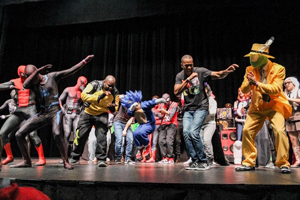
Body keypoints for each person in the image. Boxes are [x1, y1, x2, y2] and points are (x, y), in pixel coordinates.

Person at [11, 55, 94, 169]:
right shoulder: (31, 83)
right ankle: (26, 161)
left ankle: (65, 161)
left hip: (55, 112)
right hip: (42, 114)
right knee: (19, 134)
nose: (32, 79)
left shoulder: (51, 77)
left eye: (34, 76)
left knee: (57, 134)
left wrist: (84, 61)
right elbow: (25, 85)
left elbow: (70, 70)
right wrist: (38, 71)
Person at [235, 39, 292, 174]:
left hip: (275, 105)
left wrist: (257, 84)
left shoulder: (279, 69)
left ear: (263, 57)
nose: (253, 59)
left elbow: (276, 88)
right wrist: (249, 83)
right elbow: (243, 90)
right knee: (247, 131)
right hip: (257, 106)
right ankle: (249, 162)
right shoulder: (250, 69)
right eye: (252, 57)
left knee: (279, 131)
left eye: (255, 57)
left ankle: (283, 163)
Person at [174, 54, 238, 170]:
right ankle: (194, 160)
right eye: (186, 66)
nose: (189, 68)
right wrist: (188, 79)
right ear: (182, 65)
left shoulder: (201, 72)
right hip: (188, 109)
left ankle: (203, 161)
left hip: (201, 107)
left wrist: (226, 71)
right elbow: (176, 91)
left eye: (191, 65)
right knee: (186, 133)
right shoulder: (180, 76)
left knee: (193, 132)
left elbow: (218, 74)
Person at [0, 65, 46, 166]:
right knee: (3, 132)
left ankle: (41, 158)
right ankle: (9, 156)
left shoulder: (33, 81)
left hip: (31, 109)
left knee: (33, 134)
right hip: (19, 110)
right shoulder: (14, 82)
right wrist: (10, 86)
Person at [70, 75, 120, 167]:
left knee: (102, 137)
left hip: (102, 114)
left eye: (112, 86)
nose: (110, 88)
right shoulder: (94, 84)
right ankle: (75, 157)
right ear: (104, 82)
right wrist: (99, 96)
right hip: (87, 112)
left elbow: (116, 107)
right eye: (109, 85)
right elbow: (83, 95)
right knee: (81, 135)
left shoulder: (115, 92)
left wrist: (112, 109)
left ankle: (101, 159)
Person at [121, 90, 166, 161]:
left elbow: (151, 103)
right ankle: (140, 148)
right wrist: (132, 108)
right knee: (135, 133)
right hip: (142, 124)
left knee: (141, 133)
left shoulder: (144, 105)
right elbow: (129, 113)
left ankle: (146, 145)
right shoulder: (133, 110)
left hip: (150, 124)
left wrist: (159, 100)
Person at [59, 76, 87, 157]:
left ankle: (74, 156)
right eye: (82, 83)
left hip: (77, 114)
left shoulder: (83, 93)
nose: (82, 85)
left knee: (76, 135)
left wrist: (84, 92)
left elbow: (87, 102)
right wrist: (62, 109)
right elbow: (59, 100)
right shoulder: (68, 89)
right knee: (67, 134)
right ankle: (64, 157)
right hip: (68, 113)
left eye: (84, 84)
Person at [113, 95, 135, 165]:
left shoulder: (136, 109)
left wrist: (125, 130)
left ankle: (128, 158)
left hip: (127, 124)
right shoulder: (126, 102)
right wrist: (127, 96)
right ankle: (118, 158)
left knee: (130, 139)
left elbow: (131, 120)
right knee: (119, 139)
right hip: (118, 122)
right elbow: (119, 97)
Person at [199, 84, 217, 166]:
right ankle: (203, 159)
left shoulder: (212, 101)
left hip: (210, 123)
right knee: (200, 142)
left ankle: (210, 159)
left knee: (206, 140)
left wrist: (206, 109)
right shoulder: (199, 101)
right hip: (201, 124)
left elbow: (213, 113)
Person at [284, 77, 300, 168]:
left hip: (298, 117)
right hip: (289, 118)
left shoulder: (298, 91)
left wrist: (289, 99)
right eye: (285, 83)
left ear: (293, 83)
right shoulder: (285, 94)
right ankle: (298, 160)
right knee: (293, 140)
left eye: (288, 83)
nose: (286, 85)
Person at [157, 93, 178, 164]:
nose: (166, 103)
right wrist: (161, 112)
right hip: (163, 124)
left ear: (169, 100)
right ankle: (164, 157)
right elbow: (159, 116)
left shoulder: (174, 104)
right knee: (161, 141)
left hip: (171, 124)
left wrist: (164, 111)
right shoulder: (162, 105)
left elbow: (171, 115)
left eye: (167, 102)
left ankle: (171, 157)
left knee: (169, 141)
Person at [146, 95, 162, 163]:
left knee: (155, 142)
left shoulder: (161, 107)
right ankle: (149, 157)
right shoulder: (150, 108)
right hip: (151, 126)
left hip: (158, 125)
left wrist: (156, 113)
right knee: (149, 141)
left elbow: (161, 116)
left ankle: (153, 157)